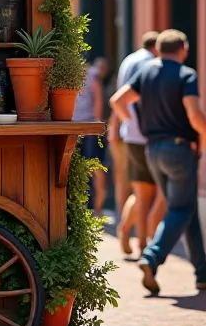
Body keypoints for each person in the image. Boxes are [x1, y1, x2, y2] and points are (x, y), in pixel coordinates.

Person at [111, 29, 206, 295]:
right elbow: (194, 114)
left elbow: (118, 101)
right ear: (183, 48)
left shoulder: (147, 72)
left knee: (185, 210)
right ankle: (152, 257)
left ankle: (202, 273)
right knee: (181, 209)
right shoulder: (186, 74)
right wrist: (204, 138)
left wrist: (135, 124)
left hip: (153, 151)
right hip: (179, 150)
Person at [110, 32, 166, 256]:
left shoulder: (128, 60)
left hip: (130, 134)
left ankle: (130, 233)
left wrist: (122, 124)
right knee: (155, 191)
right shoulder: (151, 64)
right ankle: (146, 243)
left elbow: (118, 96)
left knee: (140, 190)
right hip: (148, 136)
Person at [74, 56, 110, 215]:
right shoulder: (85, 75)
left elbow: (98, 100)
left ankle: (97, 208)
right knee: (84, 167)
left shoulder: (91, 75)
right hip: (76, 128)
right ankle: (86, 207)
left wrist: (96, 124)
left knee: (94, 166)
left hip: (89, 129)